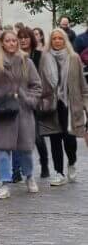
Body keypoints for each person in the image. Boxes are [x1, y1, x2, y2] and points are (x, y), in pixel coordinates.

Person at [0, 28, 42, 199]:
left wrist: (30, 99)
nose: (11, 43)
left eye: (14, 40)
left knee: (25, 149)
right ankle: (5, 183)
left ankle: (29, 177)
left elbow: (36, 85)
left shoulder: (26, 62)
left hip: (23, 111)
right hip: (4, 112)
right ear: (2, 43)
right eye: (7, 41)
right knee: (2, 149)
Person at [39, 28, 88, 186]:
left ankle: (72, 162)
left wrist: (86, 105)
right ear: (50, 41)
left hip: (69, 105)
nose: (57, 41)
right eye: (54, 38)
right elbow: (40, 84)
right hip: (52, 106)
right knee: (55, 140)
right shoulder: (45, 58)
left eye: (60, 38)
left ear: (65, 40)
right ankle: (58, 172)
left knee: (70, 141)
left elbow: (82, 85)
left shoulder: (74, 58)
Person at [17, 26, 50, 179]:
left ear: (31, 39)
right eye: (21, 37)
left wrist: (36, 97)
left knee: (36, 136)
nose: (23, 40)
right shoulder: (15, 56)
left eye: (26, 37)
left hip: (35, 101)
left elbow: (44, 79)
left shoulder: (39, 55)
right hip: (19, 101)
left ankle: (44, 164)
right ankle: (16, 170)